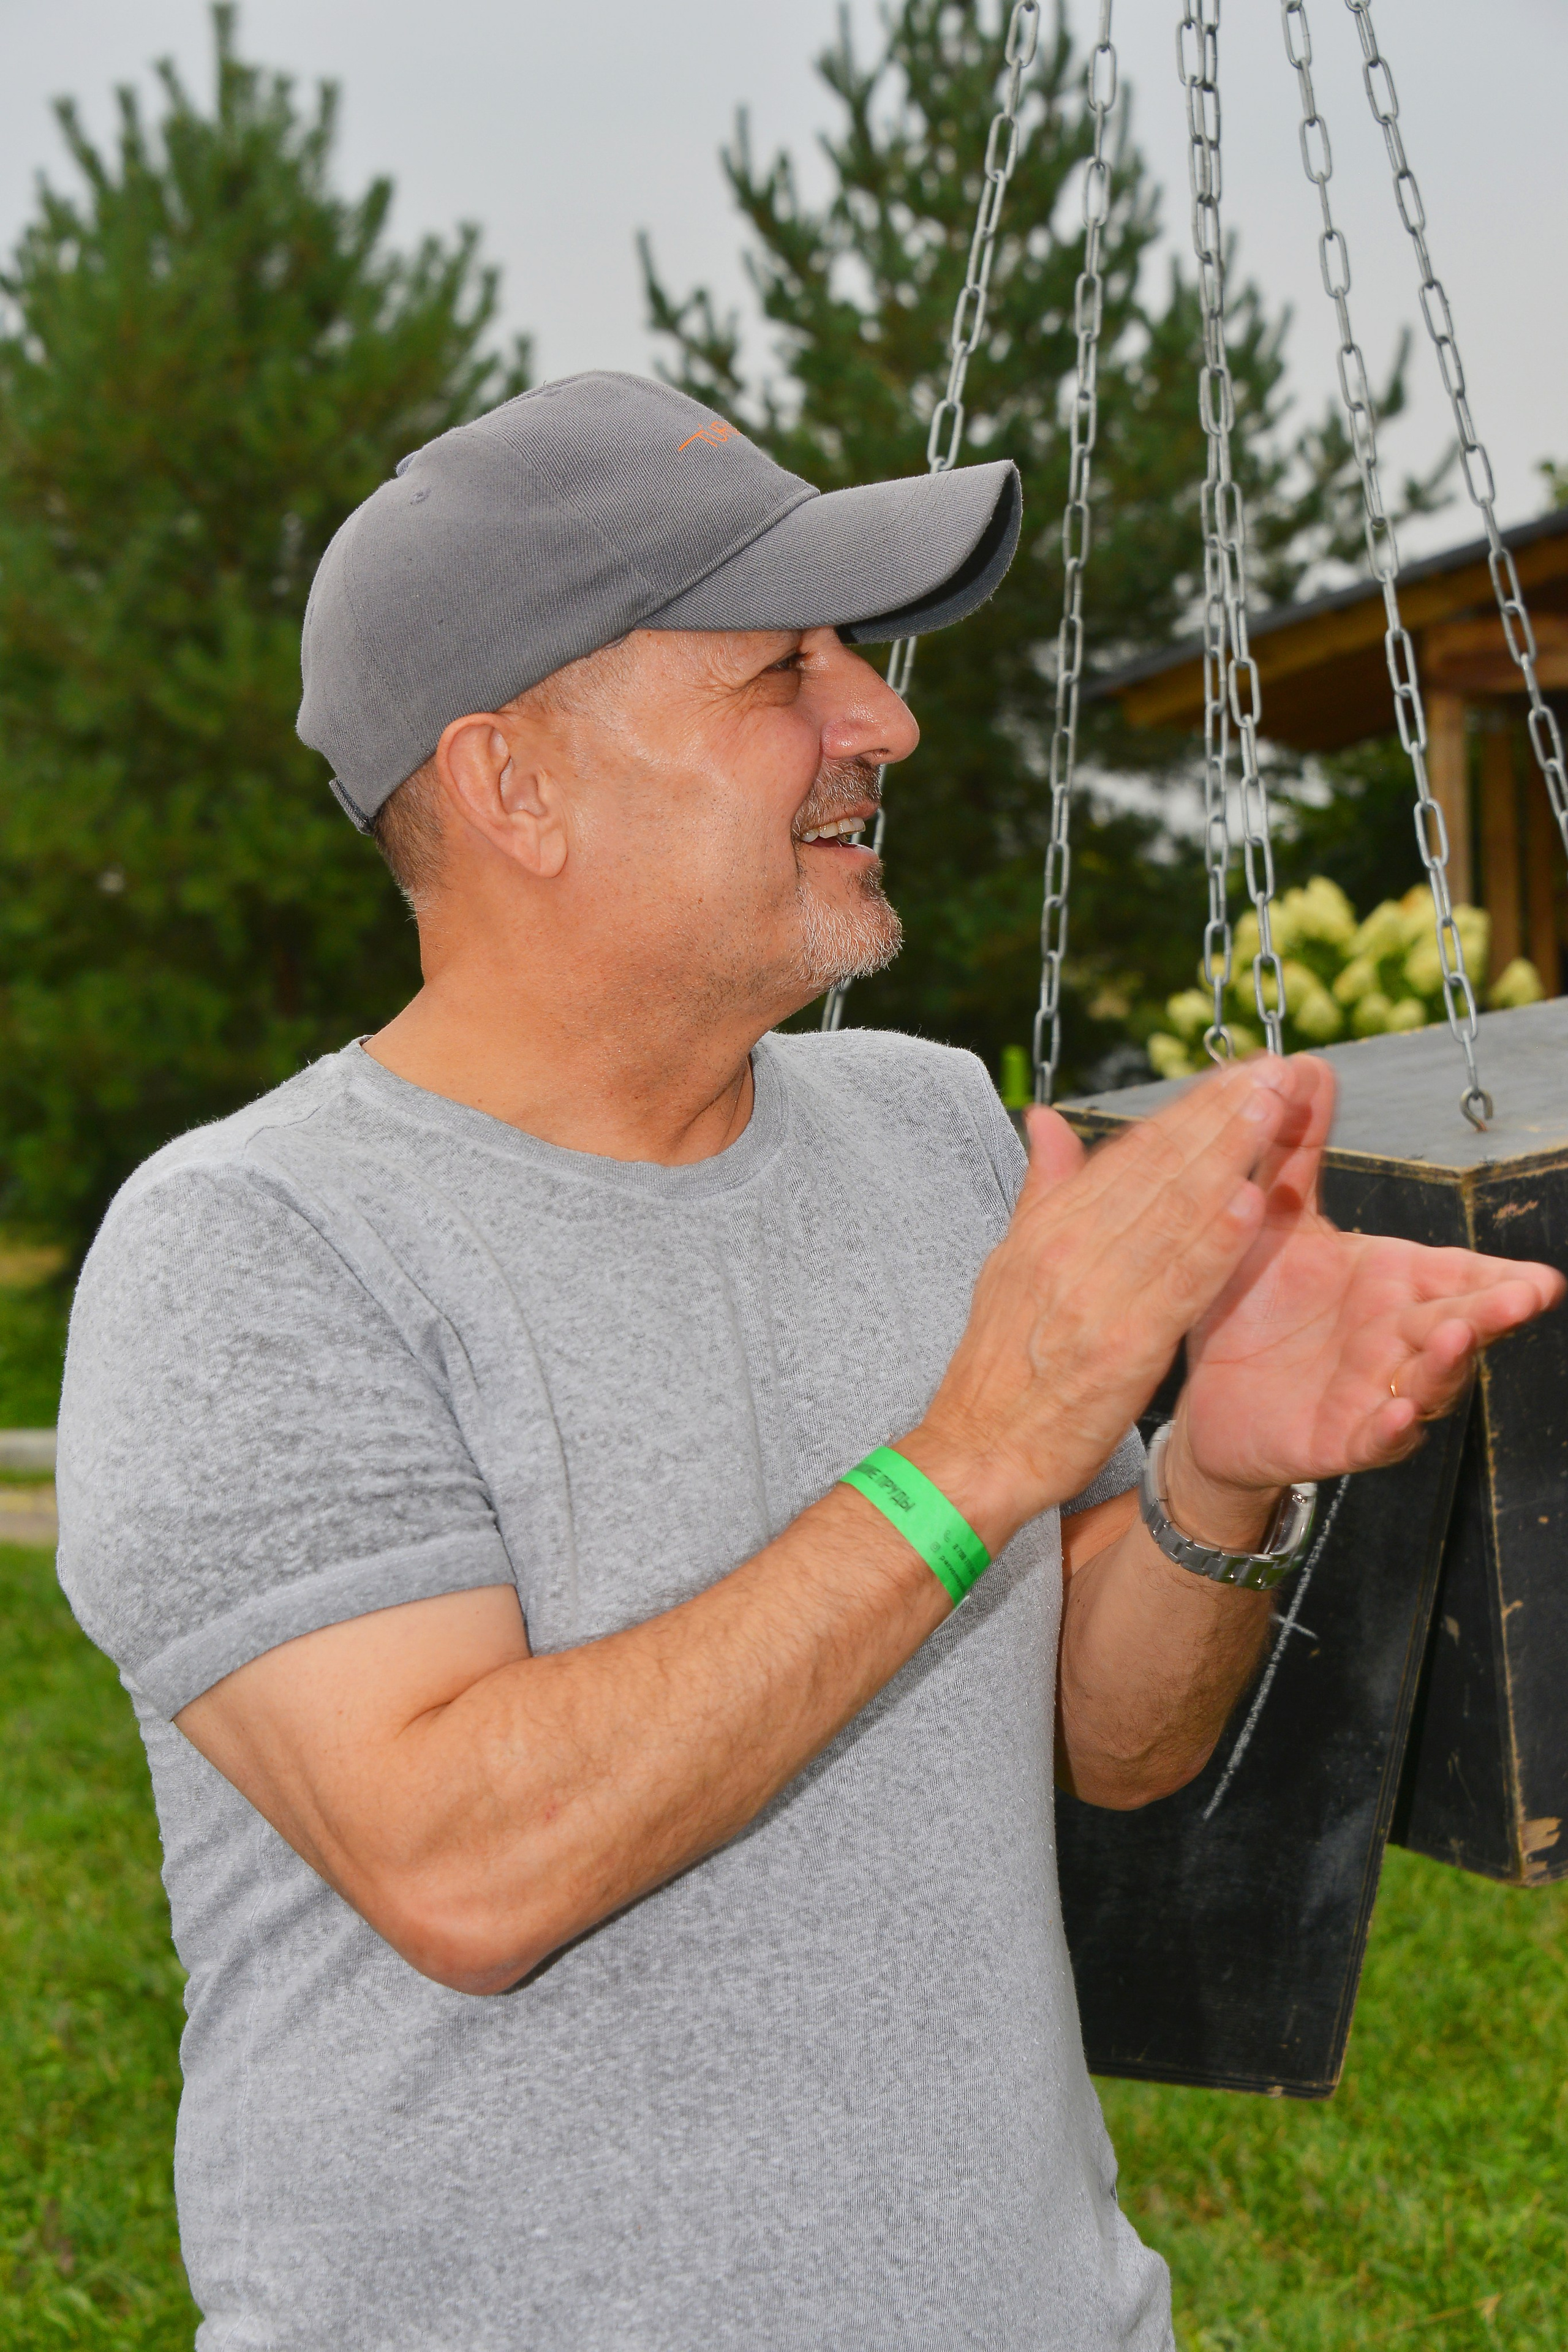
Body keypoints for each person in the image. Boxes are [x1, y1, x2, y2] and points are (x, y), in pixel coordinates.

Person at [56, 372, 1560, 2352]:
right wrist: (977, 1448)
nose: (887, 720)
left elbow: (1108, 1748)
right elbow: (468, 1862)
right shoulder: (255, 1246)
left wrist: (1218, 1477)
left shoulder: (936, 1129)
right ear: (515, 785)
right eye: (785, 671)